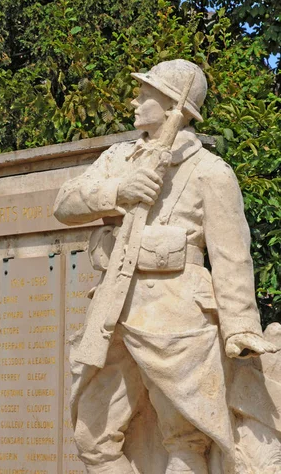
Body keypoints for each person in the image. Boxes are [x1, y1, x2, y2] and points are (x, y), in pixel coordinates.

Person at [54, 59, 276, 474]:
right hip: (112, 311)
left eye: (146, 94)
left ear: (174, 106)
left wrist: (240, 326)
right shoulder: (120, 158)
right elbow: (64, 203)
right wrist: (118, 189)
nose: (135, 101)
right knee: (93, 436)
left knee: (185, 438)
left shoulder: (210, 171)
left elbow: (231, 257)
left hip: (178, 316)